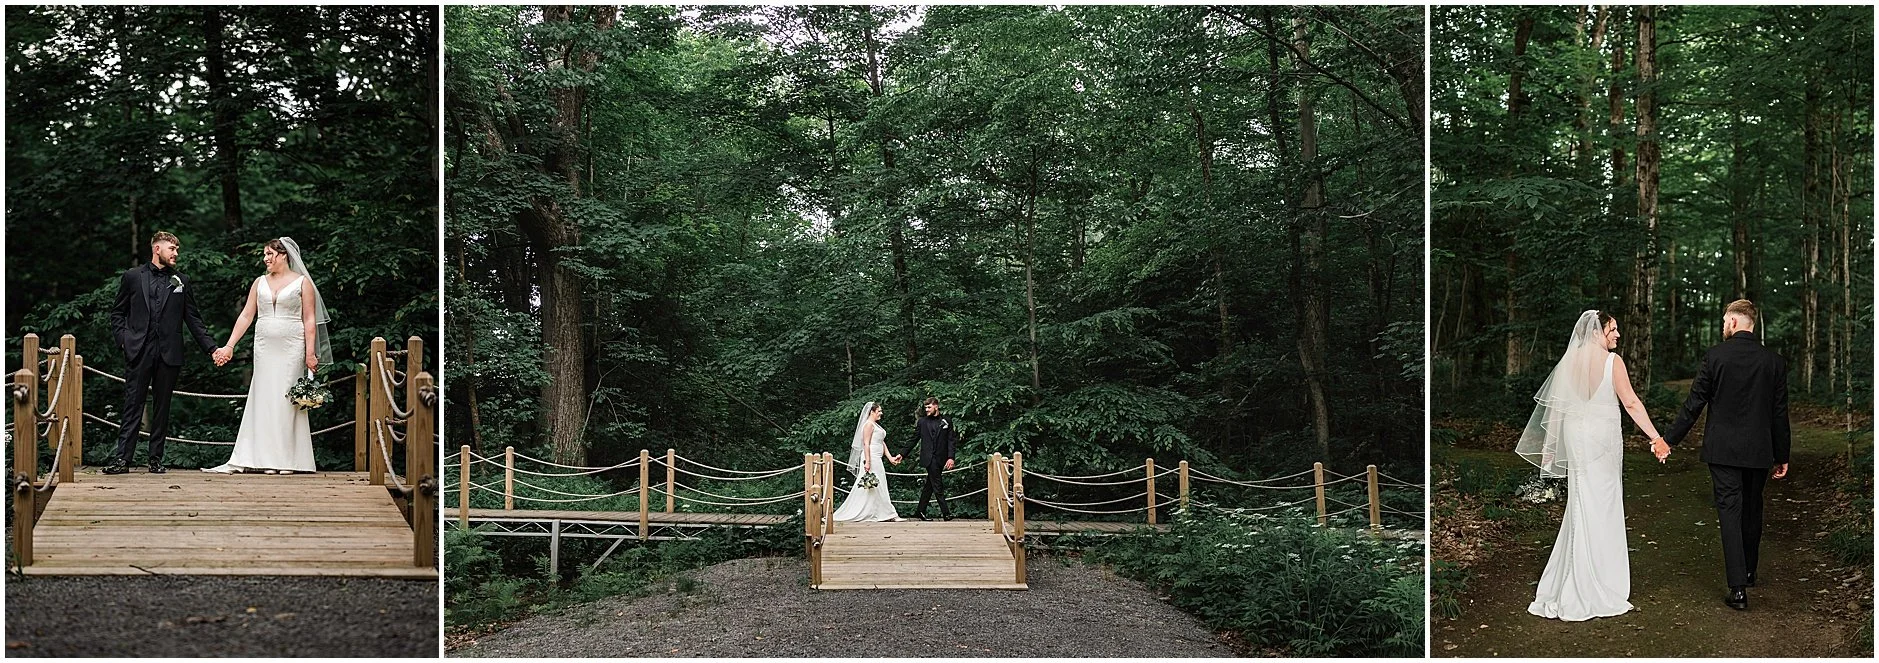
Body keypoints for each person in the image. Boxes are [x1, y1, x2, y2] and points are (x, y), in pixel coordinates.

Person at [1517, 309, 1668, 621]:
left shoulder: (1569, 361)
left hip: (1577, 440)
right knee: (1604, 503)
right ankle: (1597, 582)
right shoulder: (1613, 362)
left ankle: (1574, 577)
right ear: (1597, 331)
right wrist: (1655, 437)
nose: (1617, 335)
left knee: (1582, 500)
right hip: (1602, 442)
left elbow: (1558, 408)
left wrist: (1549, 449)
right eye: (1613, 330)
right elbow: (1630, 403)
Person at [1662, 299, 1790, 611]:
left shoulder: (1715, 357)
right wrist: (1782, 454)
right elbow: (1779, 414)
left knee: (1730, 512)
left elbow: (1694, 403)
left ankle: (1738, 590)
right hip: (1760, 451)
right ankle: (1749, 570)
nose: (1723, 326)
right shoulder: (1773, 362)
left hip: (1723, 451)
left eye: (1724, 321)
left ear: (1734, 322)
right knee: (1752, 509)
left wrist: (1669, 439)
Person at [204, 238, 332, 475]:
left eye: (270, 254)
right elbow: (246, 316)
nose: (265, 259)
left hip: (292, 346)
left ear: (284, 255)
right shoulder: (258, 282)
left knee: (285, 398)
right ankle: (265, 459)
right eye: (264, 254)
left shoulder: (303, 283)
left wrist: (311, 352)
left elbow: (310, 319)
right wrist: (229, 346)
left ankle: (286, 460)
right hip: (264, 347)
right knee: (264, 398)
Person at [108, 232, 226, 475]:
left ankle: (155, 459)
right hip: (138, 350)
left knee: (163, 407)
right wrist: (123, 341)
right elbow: (117, 313)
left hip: (168, 353)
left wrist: (212, 349)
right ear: (157, 248)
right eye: (172, 248)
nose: (176, 253)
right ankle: (123, 460)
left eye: (177, 249)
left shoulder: (181, 280)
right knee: (132, 405)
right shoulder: (132, 277)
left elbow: (193, 319)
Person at [832, 402, 900, 522]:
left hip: (877, 458)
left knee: (879, 484)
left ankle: (882, 513)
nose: (881, 413)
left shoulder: (876, 425)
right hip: (871, 457)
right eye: (879, 411)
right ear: (871, 412)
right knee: (874, 485)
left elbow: (881, 442)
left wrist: (890, 457)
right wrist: (867, 461)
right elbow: (866, 443)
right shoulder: (868, 425)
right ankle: (889, 514)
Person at [898, 396, 957, 521]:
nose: (927, 410)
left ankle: (920, 511)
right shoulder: (922, 422)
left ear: (936, 406)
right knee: (937, 484)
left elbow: (951, 441)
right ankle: (946, 513)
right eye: (926, 408)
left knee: (929, 486)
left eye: (929, 407)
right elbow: (914, 439)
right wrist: (902, 454)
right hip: (929, 458)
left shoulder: (947, 421)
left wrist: (951, 457)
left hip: (941, 458)